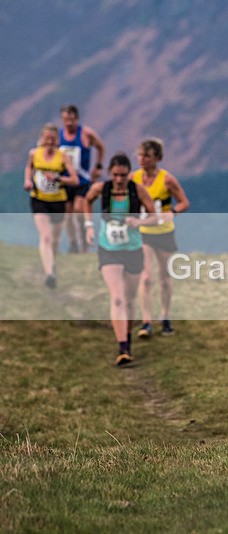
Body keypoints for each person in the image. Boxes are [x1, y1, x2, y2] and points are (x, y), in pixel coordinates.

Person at [84, 152, 156, 366]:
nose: (118, 179)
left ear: (128, 174)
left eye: (123, 175)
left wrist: (140, 223)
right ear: (110, 173)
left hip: (133, 249)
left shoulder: (138, 191)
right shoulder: (101, 189)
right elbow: (86, 202)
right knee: (117, 297)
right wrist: (88, 226)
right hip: (109, 249)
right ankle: (123, 347)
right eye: (115, 175)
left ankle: (127, 337)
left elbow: (154, 216)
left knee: (130, 298)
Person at [131, 138, 190, 338]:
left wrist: (172, 212)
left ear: (156, 158)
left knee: (164, 278)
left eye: (146, 156)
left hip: (164, 233)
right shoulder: (134, 178)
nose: (142, 159)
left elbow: (184, 202)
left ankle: (165, 316)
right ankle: (146, 321)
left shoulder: (167, 180)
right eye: (139, 155)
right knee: (146, 277)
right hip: (143, 233)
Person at [23, 123, 80, 288]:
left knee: (55, 239)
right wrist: (27, 181)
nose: (49, 142)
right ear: (42, 139)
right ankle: (49, 274)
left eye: (53, 139)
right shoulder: (34, 154)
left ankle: (51, 264)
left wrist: (58, 179)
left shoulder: (63, 157)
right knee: (46, 236)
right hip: (39, 199)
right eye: (46, 138)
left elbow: (75, 180)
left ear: (57, 141)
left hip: (58, 201)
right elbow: (29, 168)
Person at [59, 104, 106, 253]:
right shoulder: (59, 135)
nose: (69, 123)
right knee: (67, 214)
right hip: (65, 180)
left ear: (77, 118)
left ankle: (84, 242)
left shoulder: (86, 133)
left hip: (82, 180)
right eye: (66, 120)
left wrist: (98, 166)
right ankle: (73, 244)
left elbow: (100, 147)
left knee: (78, 211)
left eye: (72, 120)